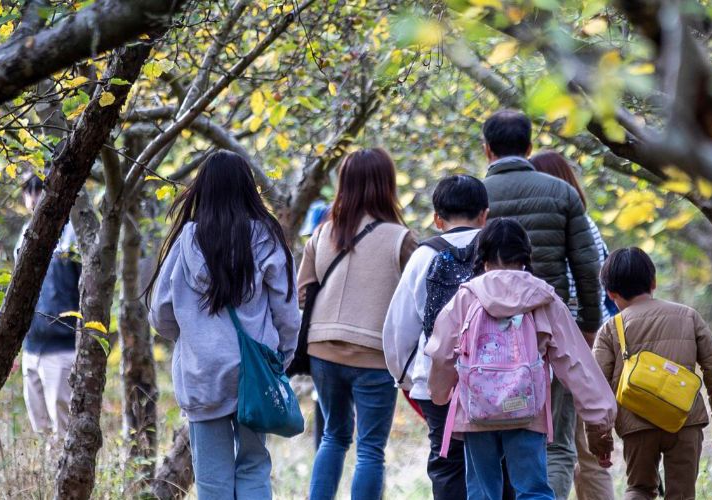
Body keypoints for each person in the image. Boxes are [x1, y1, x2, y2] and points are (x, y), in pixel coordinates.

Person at [425, 219, 615, 500]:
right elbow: (576, 361)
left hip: (477, 410)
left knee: (482, 491)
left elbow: (442, 353)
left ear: (484, 256)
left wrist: (439, 394)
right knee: (533, 489)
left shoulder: (467, 296)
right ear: (525, 255)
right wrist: (599, 417)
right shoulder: (542, 298)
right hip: (527, 409)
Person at [149, 150, 301, 499]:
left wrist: (191, 338)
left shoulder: (185, 242)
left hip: (201, 372)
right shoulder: (267, 238)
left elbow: (159, 313)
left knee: (212, 479)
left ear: (204, 190)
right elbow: (288, 314)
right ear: (247, 189)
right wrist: (282, 358)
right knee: (253, 466)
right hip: (253, 371)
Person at [476, 111, 608, 496]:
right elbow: (588, 264)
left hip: (487, 338)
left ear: (487, 149)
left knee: (493, 442)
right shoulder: (562, 193)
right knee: (555, 440)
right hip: (549, 331)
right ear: (529, 147)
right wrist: (587, 323)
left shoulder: (475, 196)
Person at [298, 149, 417, 500]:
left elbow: (303, 293)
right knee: (370, 449)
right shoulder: (401, 238)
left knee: (333, 437)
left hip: (323, 350)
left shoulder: (322, 233)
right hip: (374, 355)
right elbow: (420, 297)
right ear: (387, 185)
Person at [586, 248, 712, 500]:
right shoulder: (688, 316)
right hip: (684, 420)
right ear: (654, 282)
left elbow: (595, 388)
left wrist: (599, 441)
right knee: (682, 494)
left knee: (639, 489)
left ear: (611, 294)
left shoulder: (610, 329)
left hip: (636, 424)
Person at [384, 175, 491, 499]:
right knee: (498, 464)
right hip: (498, 380)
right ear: (485, 214)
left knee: (447, 464)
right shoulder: (500, 251)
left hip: (438, 382)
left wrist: (406, 377)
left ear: (437, 218)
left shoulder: (423, 255)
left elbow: (399, 327)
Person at [530, 150, 619, 499]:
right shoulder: (588, 225)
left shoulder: (549, 227)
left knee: (556, 445)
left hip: (562, 342)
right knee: (592, 450)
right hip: (592, 343)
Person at [17, 176, 81, 434]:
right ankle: (45, 475)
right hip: (31, 347)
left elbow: (87, 291)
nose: (33, 198)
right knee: (40, 426)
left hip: (62, 346)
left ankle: (64, 474)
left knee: (63, 424)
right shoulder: (23, 236)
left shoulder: (72, 235)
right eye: (28, 191)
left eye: (38, 190)